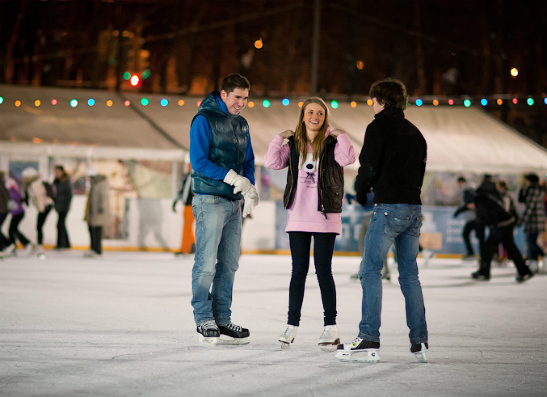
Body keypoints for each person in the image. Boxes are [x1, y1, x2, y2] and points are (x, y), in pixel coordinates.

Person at [337, 78, 429, 363]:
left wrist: (361, 191)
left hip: (388, 207)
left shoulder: (377, 127)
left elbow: (368, 166)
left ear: (381, 100)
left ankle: (369, 336)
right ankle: (420, 341)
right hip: (413, 209)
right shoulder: (416, 133)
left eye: (373, 100)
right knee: (409, 275)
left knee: (370, 270)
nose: (372, 105)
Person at [264, 97, 356, 349]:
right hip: (298, 216)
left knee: (323, 271)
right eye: (310, 112)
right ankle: (292, 325)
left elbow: (348, 160)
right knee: (298, 271)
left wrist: (342, 135)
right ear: (303, 116)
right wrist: (278, 138)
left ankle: (331, 327)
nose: (315, 116)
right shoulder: (294, 144)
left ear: (325, 117)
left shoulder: (332, 142)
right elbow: (271, 162)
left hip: (325, 214)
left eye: (320, 113)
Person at [189, 73, 258, 345]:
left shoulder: (241, 124)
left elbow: (249, 160)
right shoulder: (203, 119)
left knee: (229, 264)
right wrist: (232, 178)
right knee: (206, 264)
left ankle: (222, 318)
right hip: (210, 200)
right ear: (224, 94)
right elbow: (199, 161)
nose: (241, 103)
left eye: (245, 98)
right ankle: (203, 317)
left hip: (234, 203)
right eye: (237, 97)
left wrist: (248, 186)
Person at [471, 175, 533, 283]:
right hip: (505, 224)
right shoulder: (490, 196)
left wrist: (495, 227)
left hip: (502, 225)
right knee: (510, 248)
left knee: (487, 247)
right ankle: (524, 271)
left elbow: (497, 213)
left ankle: (484, 272)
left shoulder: (486, 198)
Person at [518, 173, 547, 273]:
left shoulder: (532, 190)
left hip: (533, 220)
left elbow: (529, 207)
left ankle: (544, 258)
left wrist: (521, 221)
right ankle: (534, 263)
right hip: (537, 219)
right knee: (531, 242)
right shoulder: (539, 189)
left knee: (531, 242)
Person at [22, 167, 54, 254]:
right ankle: (39, 244)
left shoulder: (35, 184)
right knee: (39, 226)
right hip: (43, 206)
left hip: (45, 206)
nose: (23, 178)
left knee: (39, 226)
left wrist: (41, 209)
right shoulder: (32, 183)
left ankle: (39, 245)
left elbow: (40, 197)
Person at [453, 176, 484, 260]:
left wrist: (459, 211)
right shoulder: (471, 188)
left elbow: (470, 205)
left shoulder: (467, 190)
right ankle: (475, 253)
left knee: (471, 235)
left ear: (461, 182)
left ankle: (475, 254)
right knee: (475, 235)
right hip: (474, 218)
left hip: (473, 218)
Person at [84, 167, 110, 257]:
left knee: (96, 231)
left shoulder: (101, 182)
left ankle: (97, 249)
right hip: (93, 211)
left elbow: (103, 195)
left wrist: (102, 207)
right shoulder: (94, 182)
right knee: (92, 229)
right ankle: (93, 248)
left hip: (99, 212)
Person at [172, 164, 195, 255]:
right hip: (186, 205)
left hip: (193, 205)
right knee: (187, 227)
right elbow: (180, 190)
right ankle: (192, 245)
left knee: (187, 227)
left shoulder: (197, 177)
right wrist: (176, 201)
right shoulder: (185, 177)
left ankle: (185, 249)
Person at [6, 178, 32, 256]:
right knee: (12, 230)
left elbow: (12, 203)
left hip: (18, 213)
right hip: (18, 213)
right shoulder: (13, 190)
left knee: (13, 230)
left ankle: (25, 243)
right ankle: (15, 246)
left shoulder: (12, 191)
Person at [53, 165, 72, 250]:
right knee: (61, 225)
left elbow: (69, 194)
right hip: (58, 206)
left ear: (62, 172)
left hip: (64, 206)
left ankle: (62, 243)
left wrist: (59, 199)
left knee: (60, 224)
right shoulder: (56, 181)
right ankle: (65, 243)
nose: (56, 173)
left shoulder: (66, 181)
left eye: (57, 171)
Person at [0, 171, 12, 256]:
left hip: (2, 210)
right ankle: (8, 244)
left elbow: (7, 196)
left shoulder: (1, 184)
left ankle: (4, 247)